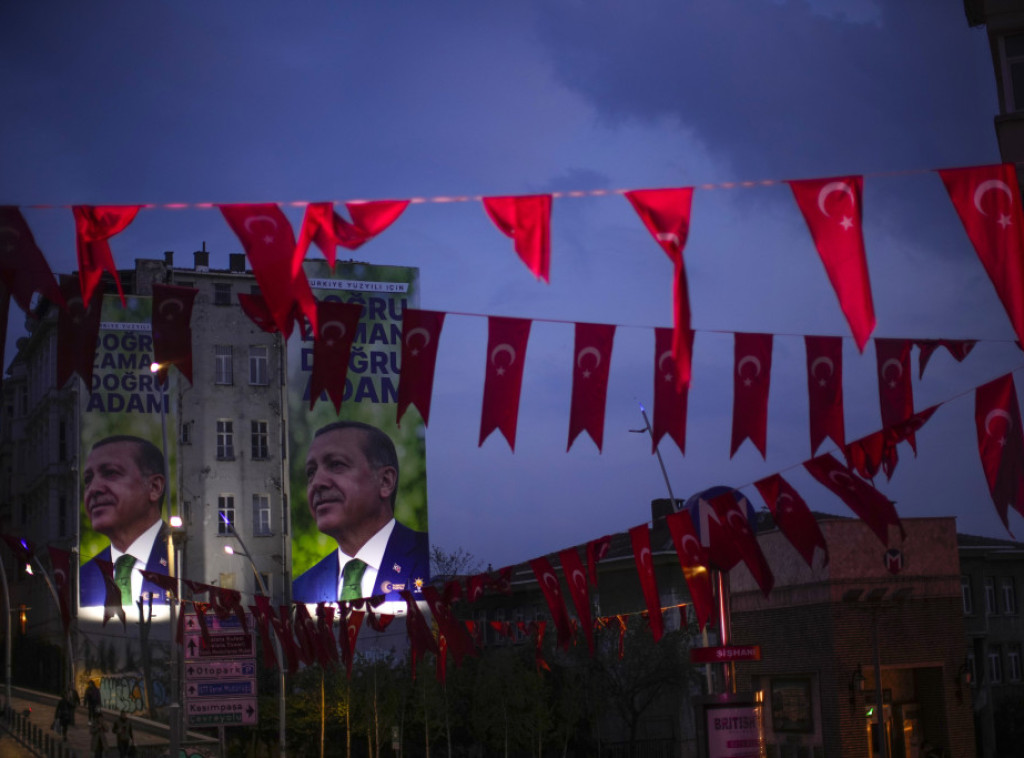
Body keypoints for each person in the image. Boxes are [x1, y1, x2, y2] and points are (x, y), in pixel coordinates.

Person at [292, 421, 429, 603]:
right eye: (311, 472)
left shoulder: (435, 558)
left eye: (336, 464)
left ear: (385, 481)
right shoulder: (300, 590)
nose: (317, 482)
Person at [78, 435, 170, 607]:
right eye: (88, 479)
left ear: (155, 487)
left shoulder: (186, 560)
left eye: (111, 473)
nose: (94, 489)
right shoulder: (82, 576)